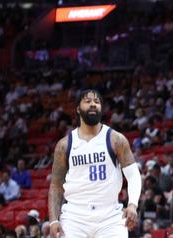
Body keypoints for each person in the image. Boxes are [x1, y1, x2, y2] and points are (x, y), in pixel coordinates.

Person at [48, 89, 142, 238]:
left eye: (97, 102)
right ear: (78, 109)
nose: (93, 104)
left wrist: (132, 204)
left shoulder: (116, 139)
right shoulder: (64, 145)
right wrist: (53, 220)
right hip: (74, 217)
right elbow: (56, 185)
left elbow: (133, 176)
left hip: (109, 216)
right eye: (88, 101)